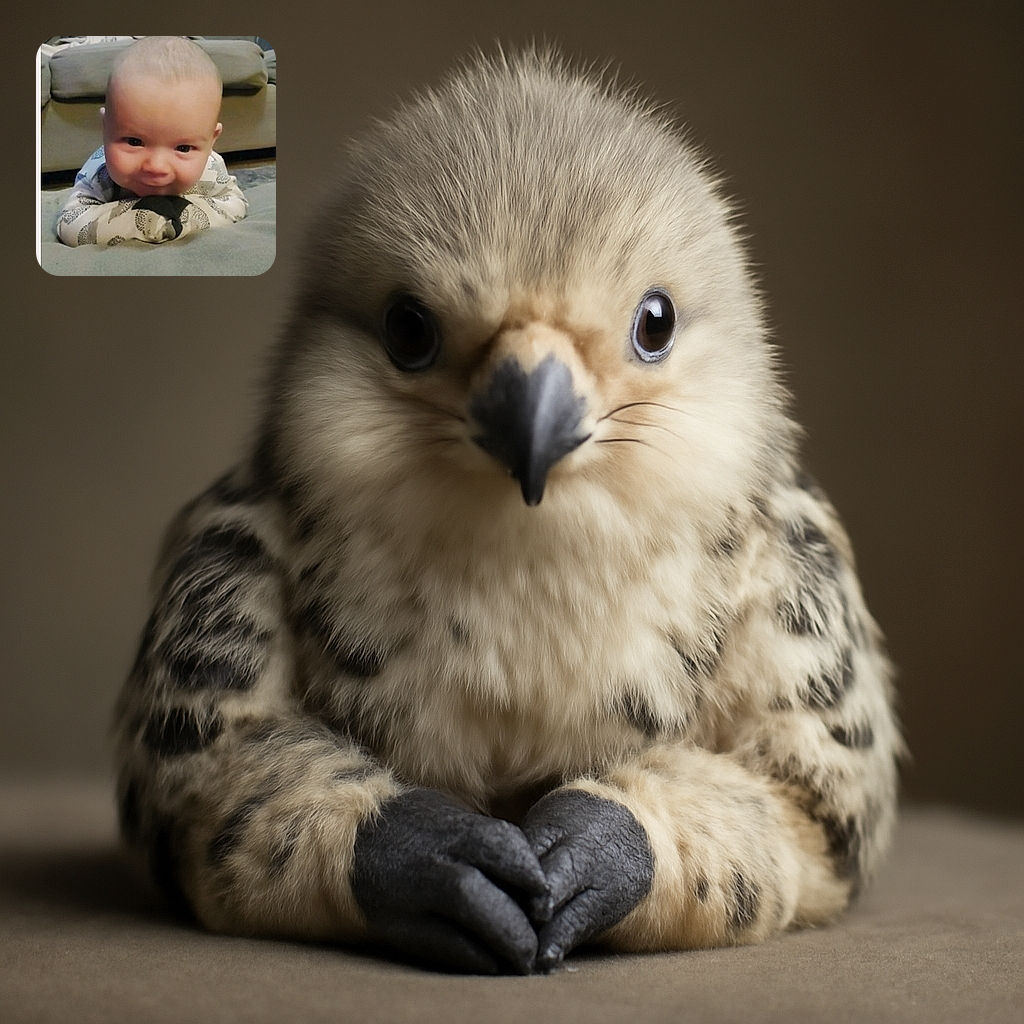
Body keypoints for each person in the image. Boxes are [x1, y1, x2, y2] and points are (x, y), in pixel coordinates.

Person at [56, 36, 247, 247]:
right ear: (106, 128)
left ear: (212, 141)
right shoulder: (99, 174)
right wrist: (145, 220)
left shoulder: (212, 168)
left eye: (183, 148)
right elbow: (71, 224)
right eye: (134, 141)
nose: (156, 166)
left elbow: (236, 204)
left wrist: (186, 214)